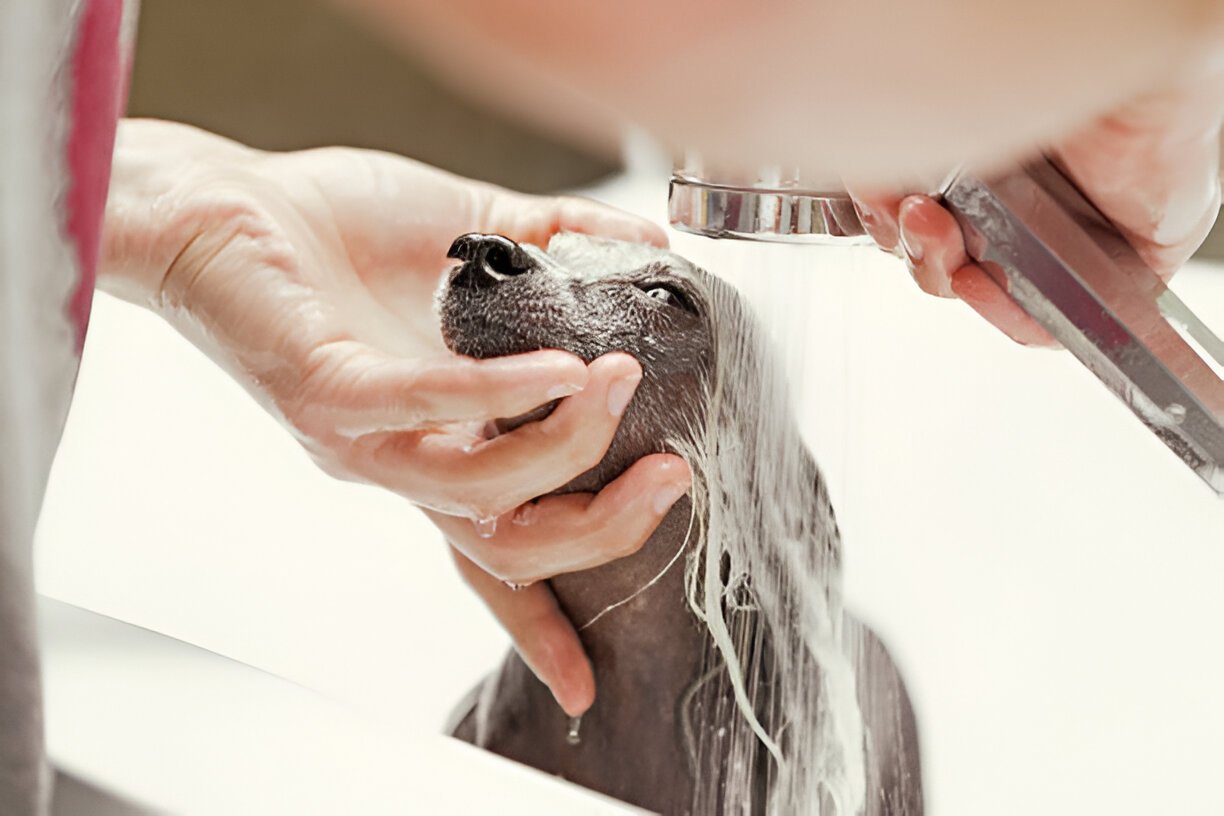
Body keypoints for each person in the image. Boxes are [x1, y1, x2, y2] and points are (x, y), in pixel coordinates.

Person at [2, 1, 1221, 812]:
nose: (489, 269)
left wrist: (177, 202)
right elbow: (676, 29)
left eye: (665, 308)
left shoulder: (855, 694)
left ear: (785, 511)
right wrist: (1168, 47)